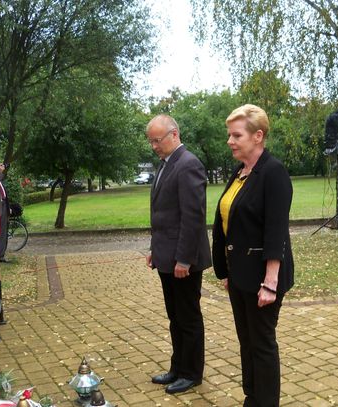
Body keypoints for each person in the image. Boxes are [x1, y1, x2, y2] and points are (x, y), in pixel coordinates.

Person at [212, 104, 294, 407]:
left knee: (261, 344)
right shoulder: (241, 172)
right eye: (229, 135)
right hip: (240, 276)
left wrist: (270, 282)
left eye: (237, 135)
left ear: (258, 136)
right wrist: (228, 271)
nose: (230, 141)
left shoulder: (273, 172)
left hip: (263, 278)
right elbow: (230, 223)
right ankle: (252, 398)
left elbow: (276, 231)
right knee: (246, 342)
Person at [145, 114, 211, 394]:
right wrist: (155, 249)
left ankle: (192, 373)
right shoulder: (166, 165)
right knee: (175, 316)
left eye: (157, 140)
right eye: (150, 141)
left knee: (188, 317)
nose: (154, 146)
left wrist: (184, 259)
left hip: (183, 261)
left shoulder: (188, 164)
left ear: (174, 134)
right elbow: (164, 214)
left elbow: (192, 217)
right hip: (166, 256)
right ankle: (178, 367)